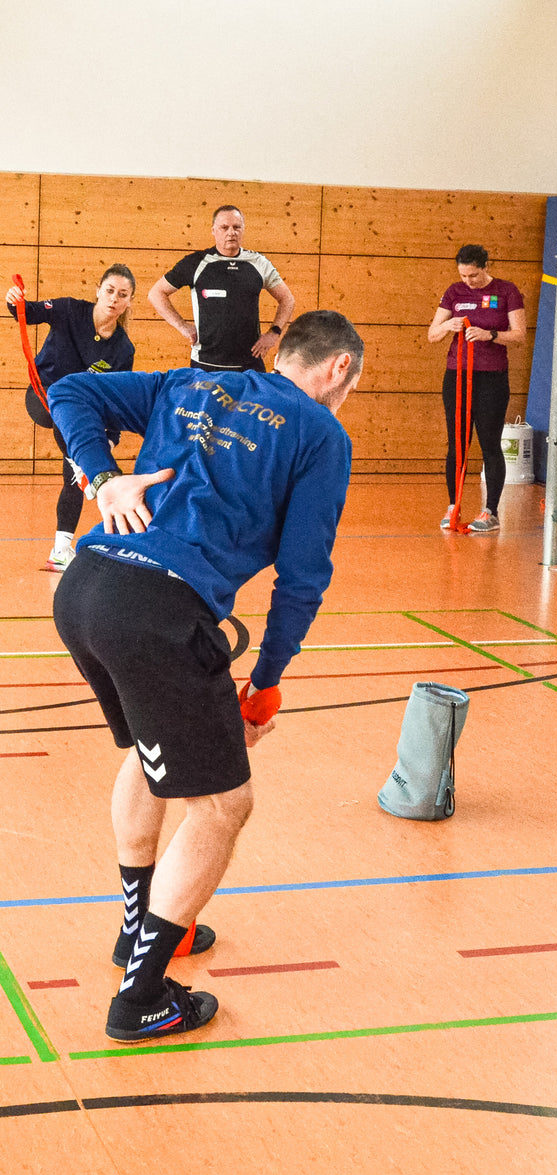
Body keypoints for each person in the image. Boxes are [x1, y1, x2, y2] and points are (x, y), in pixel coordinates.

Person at [50, 310, 363, 1042]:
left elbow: (70, 391)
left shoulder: (188, 383)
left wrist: (103, 480)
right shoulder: (321, 434)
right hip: (156, 613)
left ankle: (139, 935)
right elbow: (303, 577)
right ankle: (143, 995)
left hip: (87, 586)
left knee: (146, 755)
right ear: (339, 369)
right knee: (223, 806)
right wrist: (267, 681)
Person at [5, 267, 136, 572]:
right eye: (110, 290)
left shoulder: (122, 349)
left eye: (122, 295)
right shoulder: (67, 310)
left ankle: (61, 550)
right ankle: (83, 462)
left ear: (129, 302)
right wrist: (14, 302)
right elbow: (28, 312)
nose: (114, 299)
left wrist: (110, 439)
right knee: (72, 422)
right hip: (42, 396)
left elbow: (117, 400)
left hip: (78, 418)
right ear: (98, 291)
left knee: (73, 480)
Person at [427, 244, 526, 533]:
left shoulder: (507, 291)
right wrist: (449, 326)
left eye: (473, 275)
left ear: (485, 266)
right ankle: (453, 505)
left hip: (491, 378)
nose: (468, 281)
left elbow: (519, 335)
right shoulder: (454, 292)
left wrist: (490, 335)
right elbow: (432, 334)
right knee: (456, 443)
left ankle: (490, 511)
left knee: (489, 443)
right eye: (463, 275)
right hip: (457, 375)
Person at [147, 204, 295, 372]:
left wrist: (274, 333)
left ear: (243, 230)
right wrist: (182, 326)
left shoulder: (259, 263)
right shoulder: (196, 263)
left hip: (249, 365)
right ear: (213, 230)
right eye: (224, 227)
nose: (231, 232)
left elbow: (287, 299)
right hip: (206, 364)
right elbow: (156, 293)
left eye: (236, 227)